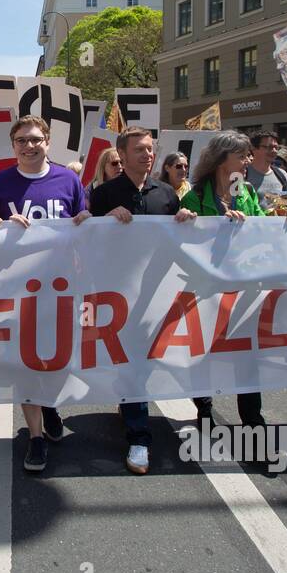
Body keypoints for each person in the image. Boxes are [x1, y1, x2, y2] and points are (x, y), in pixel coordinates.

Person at [87, 127, 195, 474]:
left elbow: (178, 242)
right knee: (133, 361)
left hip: (159, 292)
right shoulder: (104, 194)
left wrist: (186, 221)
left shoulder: (166, 194)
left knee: (149, 360)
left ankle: (132, 402)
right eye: (140, 150)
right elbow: (88, 240)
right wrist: (102, 223)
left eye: (150, 149)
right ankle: (139, 437)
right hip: (120, 294)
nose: (148, 155)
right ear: (123, 153)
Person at [0, 116, 87, 473]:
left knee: (57, 360)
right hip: (17, 291)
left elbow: (84, 223)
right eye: (21, 140)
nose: (29, 146)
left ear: (48, 141)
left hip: (61, 289)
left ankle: (50, 405)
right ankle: (36, 437)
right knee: (25, 363)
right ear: (13, 145)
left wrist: (91, 221)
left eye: (35, 139)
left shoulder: (69, 179)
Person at [178, 132, 272, 429]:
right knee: (203, 353)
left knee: (247, 356)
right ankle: (204, 409)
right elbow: (184, 244)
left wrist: (279, 220)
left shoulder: (245, 193)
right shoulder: (194, 197)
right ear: (222, 160)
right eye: (242, 155)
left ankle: (253, 421)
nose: (247, 161)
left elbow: (263, 227)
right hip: (206, 290)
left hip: (243, 288)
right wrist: (186, 222)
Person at [246, 131, 287, 201]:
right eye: (269, 147)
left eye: (276, 147)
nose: (274, 151)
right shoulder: (243, 173)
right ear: (253, 148)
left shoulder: (282, 174)